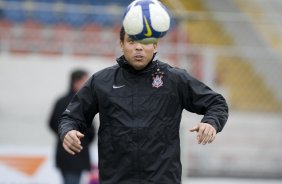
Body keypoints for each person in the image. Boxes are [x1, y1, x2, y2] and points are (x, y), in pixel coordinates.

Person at [58, 27, 229, 184]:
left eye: (145, 42)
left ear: (155, 45)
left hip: (163, 180)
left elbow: (217, 103)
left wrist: (211, 122)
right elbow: (72, 116)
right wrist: (68, 131)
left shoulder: (174, 79)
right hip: (116, 180)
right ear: (121, 45)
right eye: (131, 41)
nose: (138, 47)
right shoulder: (101, 81)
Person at [49, 69, 96, 184]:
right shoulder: (83, 102)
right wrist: (79, 140)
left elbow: (51, 124)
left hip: (63, 153)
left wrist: (64, 136)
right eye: (85, 81)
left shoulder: (60, 101)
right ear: (76, 82)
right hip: (77, 153)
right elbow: (90, 131)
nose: (87, 85)